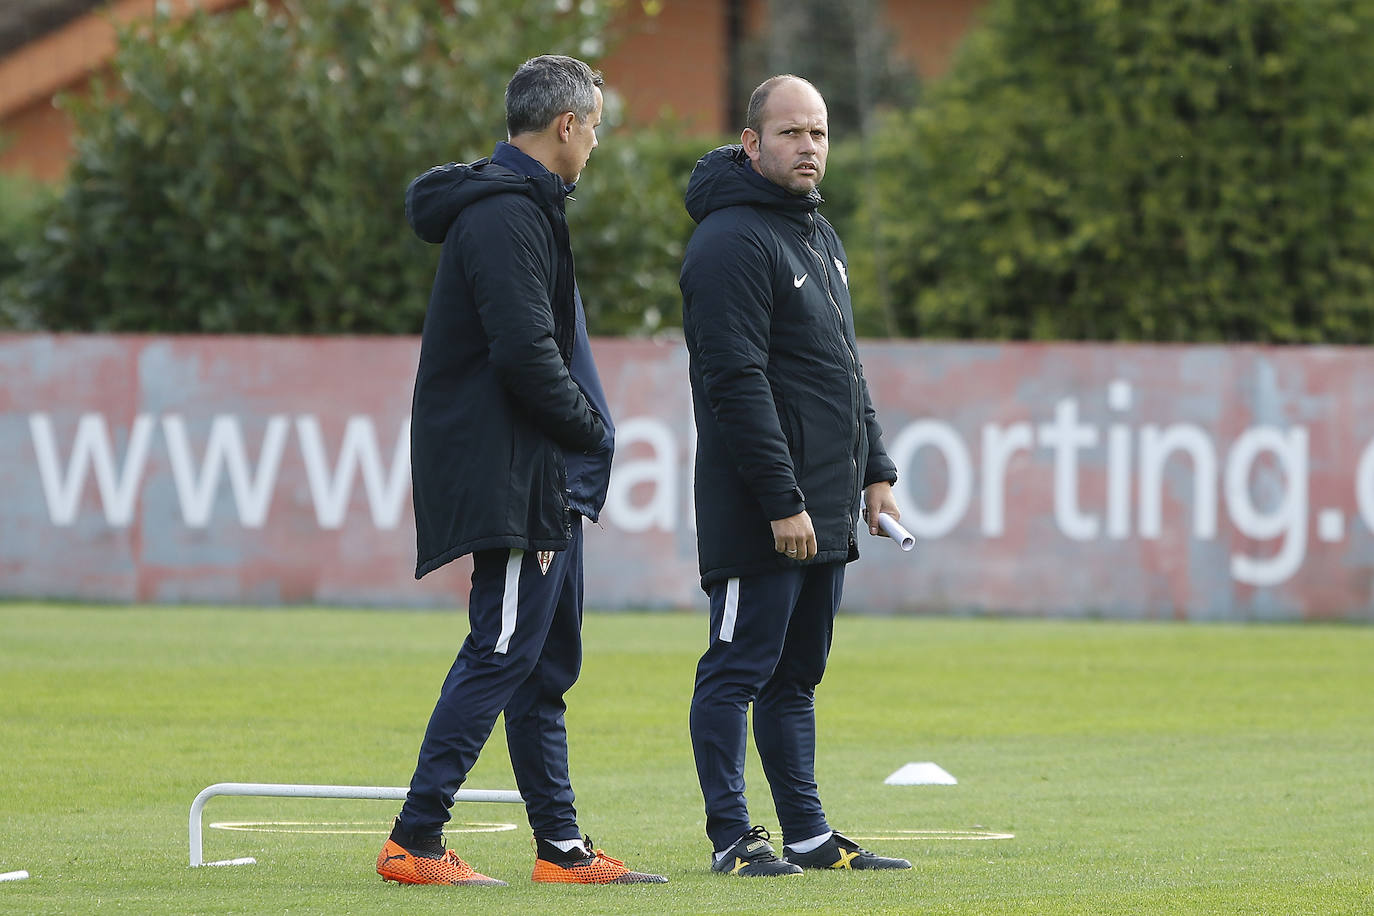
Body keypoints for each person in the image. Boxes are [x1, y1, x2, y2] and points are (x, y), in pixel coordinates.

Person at [376, 54, 666, 888]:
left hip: (544, 475)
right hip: (520, 474)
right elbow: (524, 356)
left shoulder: (525, 207)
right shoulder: (507, 215)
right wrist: (590, 431)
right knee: (501, 649)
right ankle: (415, 840)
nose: (599, 143)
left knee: (543, 665)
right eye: (597, 127)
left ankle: (562, 849)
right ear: (567, 126)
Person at [679, 74, 914, 877]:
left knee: (796, 679)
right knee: (737, 671)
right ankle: (732, 840)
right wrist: (781, 500)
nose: (809, 147)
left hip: (826, 504)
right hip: (764, 509)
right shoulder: (729, 243)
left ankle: (809, 837)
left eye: (817, 133)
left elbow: (842, 369)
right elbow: (735, 382)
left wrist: (874, 469)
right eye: (790, 133)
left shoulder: (818, 234)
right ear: (751, 143)